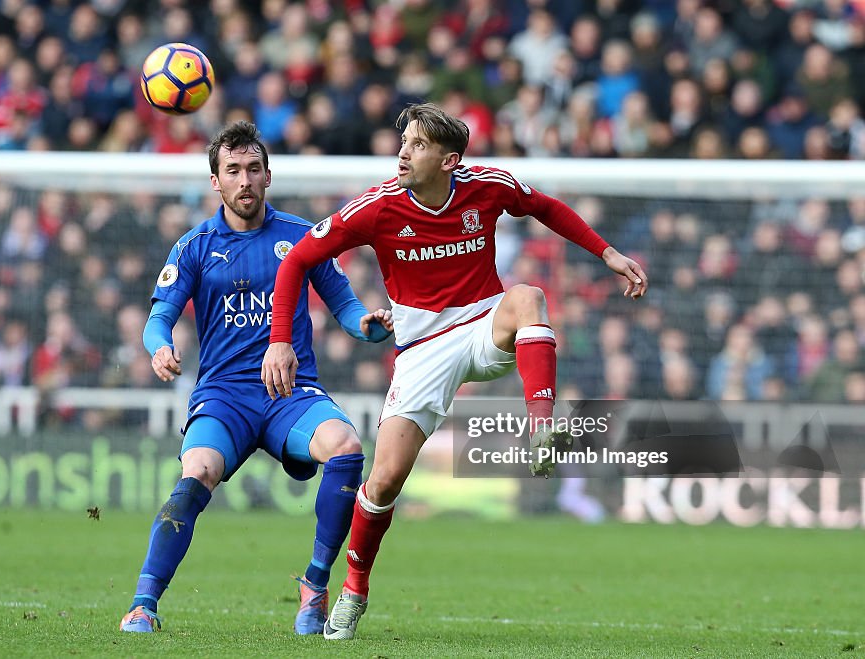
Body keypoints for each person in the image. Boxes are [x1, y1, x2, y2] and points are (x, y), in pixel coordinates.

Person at [262, 103, 647, 640]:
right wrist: (280, 340)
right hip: (420, 349)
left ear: (449, 160)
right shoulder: (375, 209)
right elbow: (296, 261)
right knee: (384, 481)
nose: (402, 152)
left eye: (416, 145)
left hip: (483, 322)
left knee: (530, 296)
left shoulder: (487, 186)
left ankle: (540, 428)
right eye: (404, 142)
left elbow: (545, 207)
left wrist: (605, 253)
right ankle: (354, 591)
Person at [121, 121, 393, 635]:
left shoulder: (301, 237)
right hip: (224, 398)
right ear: (215, 183)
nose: (244, 180)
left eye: (252, 169)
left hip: (290, 394)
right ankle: (143, 603)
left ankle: (314, 586)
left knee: (347, 445)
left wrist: (367, 325)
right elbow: (159, 317)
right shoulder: (196, 245)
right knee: (196, 471)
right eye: (232, 171)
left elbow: (343, 302)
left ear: (268, 176)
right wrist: (159, 347)